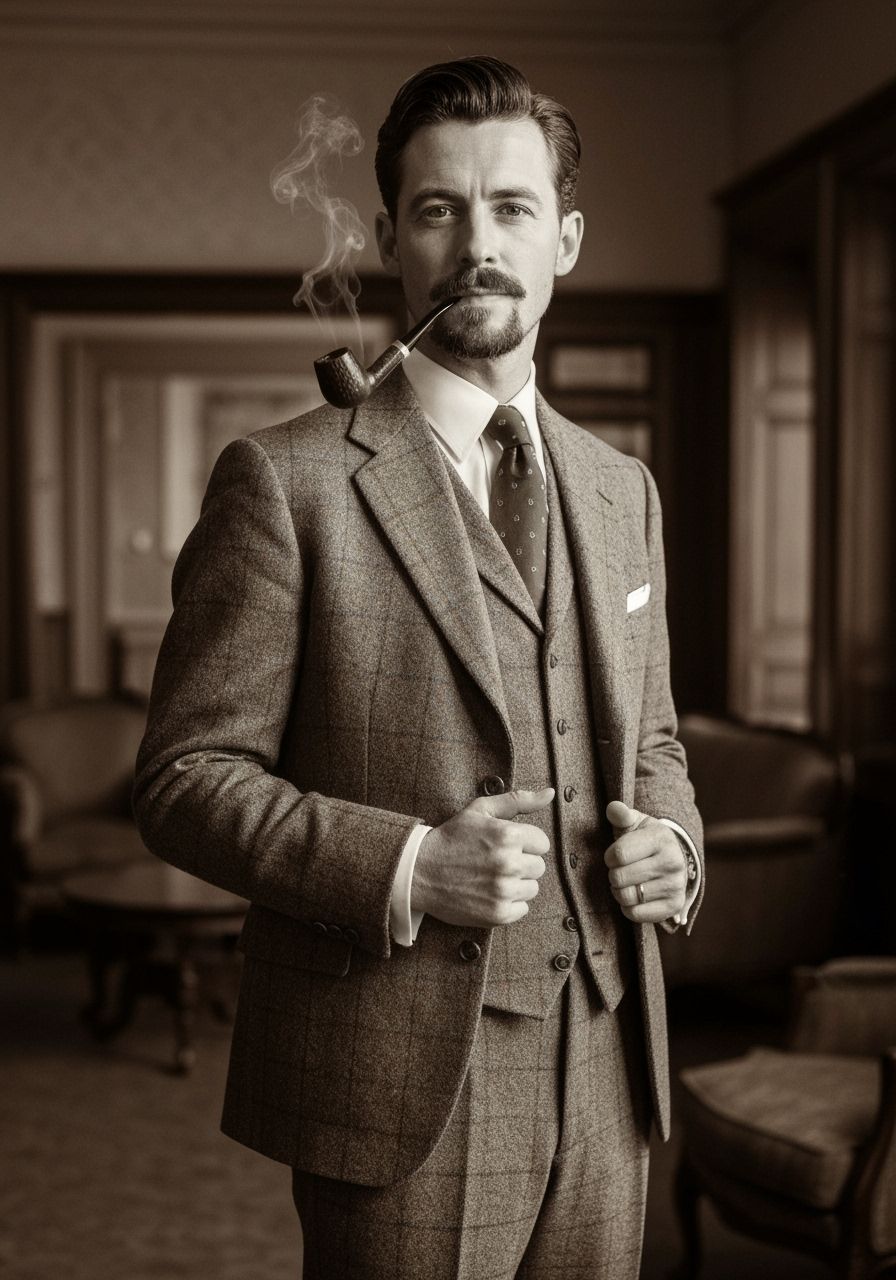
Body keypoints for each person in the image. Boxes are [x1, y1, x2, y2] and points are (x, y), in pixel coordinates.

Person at [133, 54, 703, 1280]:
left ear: (566, 238)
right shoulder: (284, 481)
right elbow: (184, 779)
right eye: (440, 209)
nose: (476, 241)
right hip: (399, 1077)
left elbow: (651, 740)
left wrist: (675, 840)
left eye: (511, 208)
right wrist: (408, 860)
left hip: (609, 1057)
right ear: (393, 235)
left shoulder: (621, 490)